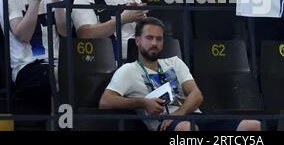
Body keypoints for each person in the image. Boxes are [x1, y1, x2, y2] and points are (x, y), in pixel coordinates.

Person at [99, 17, 261, 131]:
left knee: (253, 126)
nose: (154, 43)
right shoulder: (128, 70)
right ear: (138, 40)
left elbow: (197, 95)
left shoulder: (175, 62)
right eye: (149, 38)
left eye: (159, 39)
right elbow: (106, 101)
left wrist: (178, 114)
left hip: (192, 116)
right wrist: (142, 103)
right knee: (187, 129)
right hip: (165, 125)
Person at [0, 0, 66, 114]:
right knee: (63, 75)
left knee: (78, 71)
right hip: (27, 66)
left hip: (56, 61)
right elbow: (23, 36)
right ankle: (60, 124)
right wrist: (35, 1)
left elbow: (64, 32)